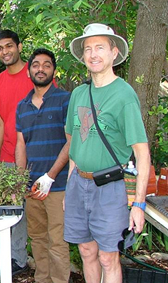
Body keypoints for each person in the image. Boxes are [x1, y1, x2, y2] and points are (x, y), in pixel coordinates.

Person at [64, 23, 150, 283]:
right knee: (86, 250)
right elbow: (73, 145)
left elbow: (142, 155)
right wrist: (70, 184)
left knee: (108, 257)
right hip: (79, 184)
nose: (93, 54)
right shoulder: (78, 94)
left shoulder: (124, 95)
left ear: (114, 53)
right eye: (88, 49)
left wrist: (139, 204)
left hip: (111, 187)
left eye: (100, 47)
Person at [15, 48, 71, 283]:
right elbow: (21, 145)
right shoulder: (22, 105)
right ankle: (42, 279)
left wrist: (50, 176)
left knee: (57, 240)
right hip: (31, 186)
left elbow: (72, 142)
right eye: (36, 65)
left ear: (54, 71)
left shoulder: (65, 99)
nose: (41, 69)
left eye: (46, 65)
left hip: (57, 185)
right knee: (37, 238)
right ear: (29, 72)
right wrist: (19, 181)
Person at [0, 29, 32, 275]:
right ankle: (16, 259)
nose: (5, 52)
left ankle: (35, 257)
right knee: (10, 211)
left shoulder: (35, 73)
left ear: (19, 46)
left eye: (9, 46)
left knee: (35, 213)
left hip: (34, 157)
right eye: (0, 48)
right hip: (7, 155)